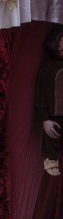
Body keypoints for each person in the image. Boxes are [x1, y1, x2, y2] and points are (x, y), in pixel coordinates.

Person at [36, 26, 63, 176]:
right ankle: (51, 159)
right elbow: (41, 94)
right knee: (52, 134)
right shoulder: (48, 67)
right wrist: (44, 118)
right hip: (54, 112)